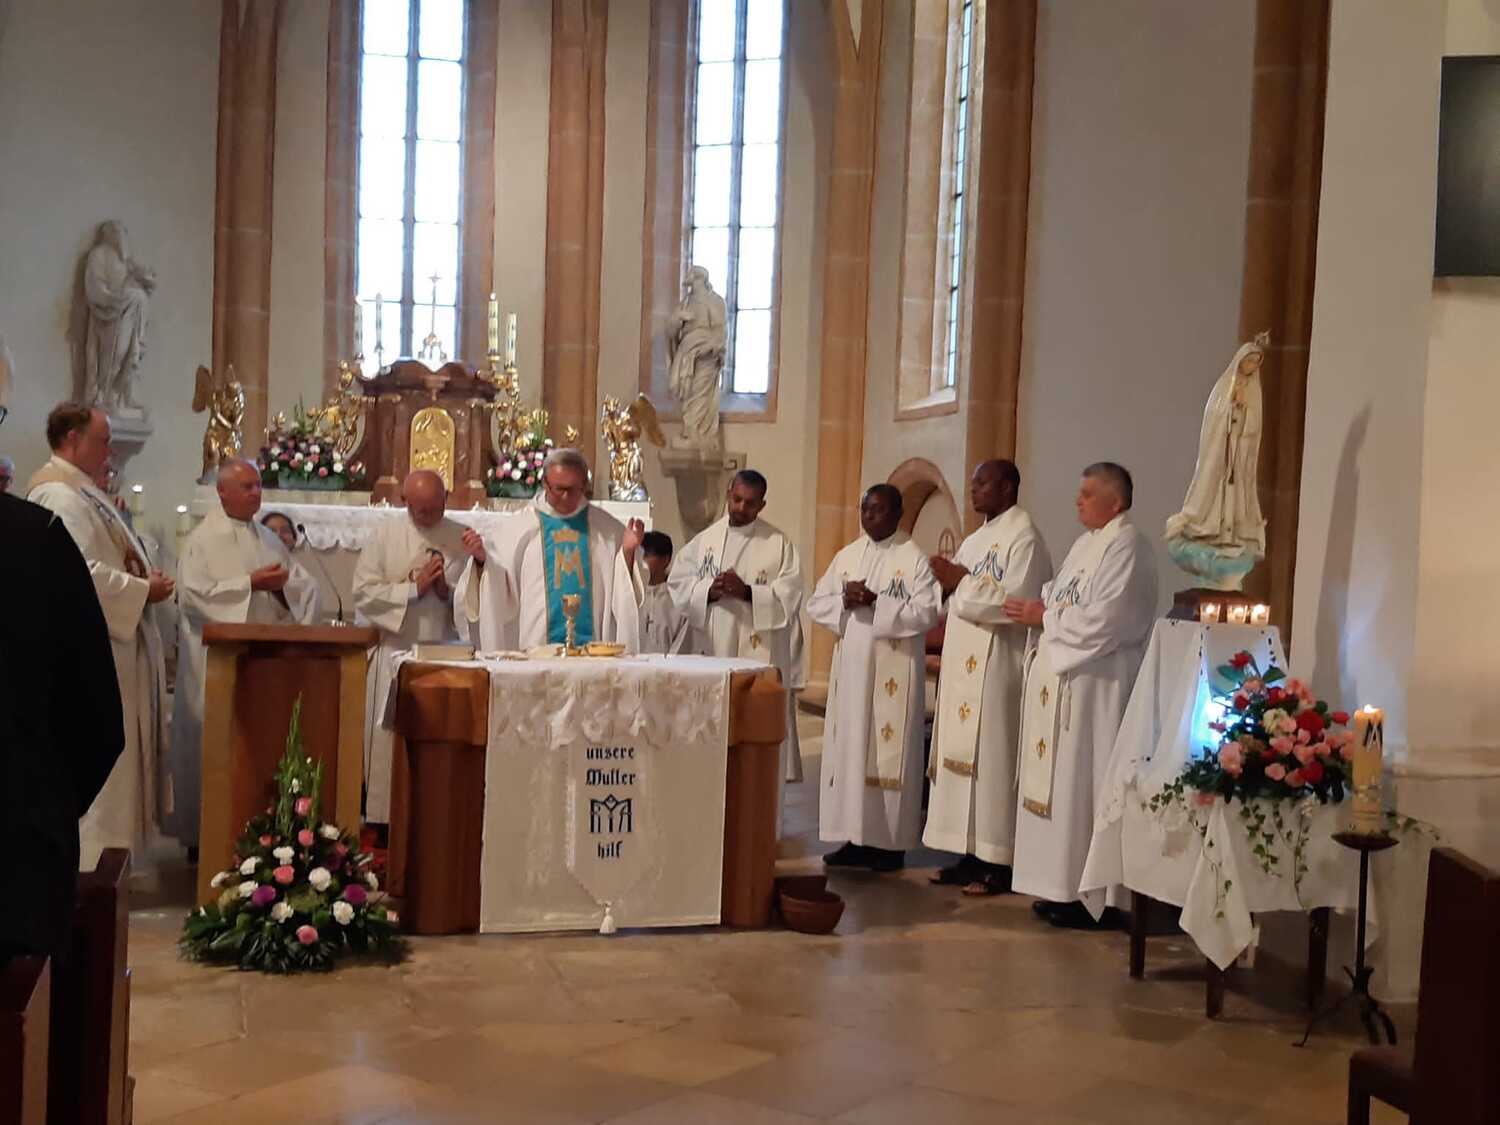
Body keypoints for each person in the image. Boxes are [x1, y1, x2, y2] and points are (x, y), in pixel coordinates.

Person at [1003, 462, 1157, 928]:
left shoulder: (1128, 545)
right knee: (1062, 787)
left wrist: (1045, 618)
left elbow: (1109, 619)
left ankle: (1095, 898)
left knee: (1085, 784)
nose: (1078, 500)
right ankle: (1061, 887)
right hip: (1066, 684)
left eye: (1088, 493)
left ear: (1116, 501)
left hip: (1098, 688)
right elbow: (1058, 597)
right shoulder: (1084, 545)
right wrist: (1043, 612)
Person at [0, 399, 124, 962]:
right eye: (102, 438)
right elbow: (96, 717)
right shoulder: (42, 524)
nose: (109, 450)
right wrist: (49, 805)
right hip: (17, 848)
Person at [26, 403, 172, 868]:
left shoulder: (82, 491)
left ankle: (111, 867)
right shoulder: (57, 495)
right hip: (98, 649)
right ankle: (92, 869)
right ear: (72, 438)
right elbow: (79, 573)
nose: (109, 449)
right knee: (103, 762)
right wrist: (142, 590)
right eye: (103, 439)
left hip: (116, 644)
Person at [167, 460, 321, 848]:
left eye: (258, 486)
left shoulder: (268, 539)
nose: (256, 493)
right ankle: (206, 837)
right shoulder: (203, 540)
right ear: (222, 492)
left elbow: (303, 589)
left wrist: (281, 590)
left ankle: (259, 832)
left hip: (265, 665)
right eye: (247, 486)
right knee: (216, 746)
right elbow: (193, 597)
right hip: (216, 664)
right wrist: (250, 584)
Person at [923, 460, 1052, 896]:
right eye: (973, 482)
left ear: (1008, 487)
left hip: (999, 669)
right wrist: (945, 584)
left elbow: (1014, 604)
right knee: (962, 765)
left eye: (982, 482)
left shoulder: (1025, 539)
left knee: (994, 761)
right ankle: (967, 853)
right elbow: (954, 599)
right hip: (963, 663)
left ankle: (998, 861)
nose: (973, 488)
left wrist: (960, 583)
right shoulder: (976, 540)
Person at [807, 484, 941, 872]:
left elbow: (928, 612)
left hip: (893, 672)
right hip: (852, 672)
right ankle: (854, 838)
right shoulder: (847, 555)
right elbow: (816, 603)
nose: (869, 517)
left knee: (886, 756)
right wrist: (843, 601)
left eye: (879, 510)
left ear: (898, 514)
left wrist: (877, 602)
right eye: (865, 509)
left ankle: (889, 845)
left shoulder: (913, 559)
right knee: (852, 751)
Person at [353, 470, 485, 821]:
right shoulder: (385, 535)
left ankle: (438, 815)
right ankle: (384, 818)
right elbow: (363, 593)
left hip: (447, 653)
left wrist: (447, 592)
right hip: (395, 649)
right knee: (389, 741)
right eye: (419, 509)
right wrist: (413, 589)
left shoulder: (462, 537)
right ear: (404, 502)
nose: (427, 516)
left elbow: (480, 602)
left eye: (434, 507)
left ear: (446, 499)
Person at [669, 469, 806, 784]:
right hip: (714, 650)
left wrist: (746, 593)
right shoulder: (705, 542)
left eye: (750, 503)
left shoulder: (778, 544)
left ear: (762, 505)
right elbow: (678, 583)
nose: (741, 508)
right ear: (729, 494)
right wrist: (710, 590)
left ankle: (759, 807)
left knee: (753, 751)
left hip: (756, 655)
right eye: (737, 499)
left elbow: (791, 596)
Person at [464, 448, 646, 651]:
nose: (565, 497)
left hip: (592, 653)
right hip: (536, 653)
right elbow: (499, 587)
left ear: (584, 485)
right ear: (545, 484)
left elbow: (624, 593)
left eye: (573, 490)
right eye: (559, 489)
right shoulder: (519, 527)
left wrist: (628, 552)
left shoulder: (607, 530)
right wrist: (482, 562)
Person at [639, 531, 689, 654]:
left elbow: (681, 644)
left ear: (665, 560)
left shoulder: (678, 597)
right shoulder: (634, 594)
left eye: (648, 554)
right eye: (640, 555)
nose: (643, 560)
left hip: (668, 665)